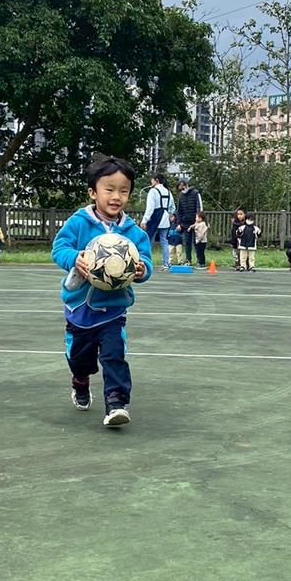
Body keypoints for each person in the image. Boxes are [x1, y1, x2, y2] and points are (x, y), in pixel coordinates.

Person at [52, 156, 152, 428]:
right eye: (109, 189)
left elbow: (145, 258)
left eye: (124, 191)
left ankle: (116, 404)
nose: (116, 196)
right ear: (93, 192)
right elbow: (59, 249)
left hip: (113, 309)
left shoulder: (133, 232)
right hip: (79, 310)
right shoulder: (78, 222)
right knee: (79, 361)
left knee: (114, 356)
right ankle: (80, 381)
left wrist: (142, 269)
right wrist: (74, 258)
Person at [140, 173, 174, 272]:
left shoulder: (153, 191)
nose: (151, 182)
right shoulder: (168, 192)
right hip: (165, 218)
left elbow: (150, 208)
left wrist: (144, 220)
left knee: (149, 241)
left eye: (152, 180)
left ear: (156, 180)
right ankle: (166, 264)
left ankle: (147, 263)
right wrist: (170, 215)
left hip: (155, 218)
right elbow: (172, 207)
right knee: (164, 242)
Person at [176, 178, 203, 266]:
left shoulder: (195, 193)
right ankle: (188, 260)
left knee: (197, 242)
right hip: (185, 223)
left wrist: (198, 221)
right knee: (187, 242)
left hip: (196, 222)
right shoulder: (181, 196)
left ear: (185, 184)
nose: (180, 187)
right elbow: (179, 210)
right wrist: (179, 223)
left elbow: (199, 208)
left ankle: (200, 261)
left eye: (181, 185)